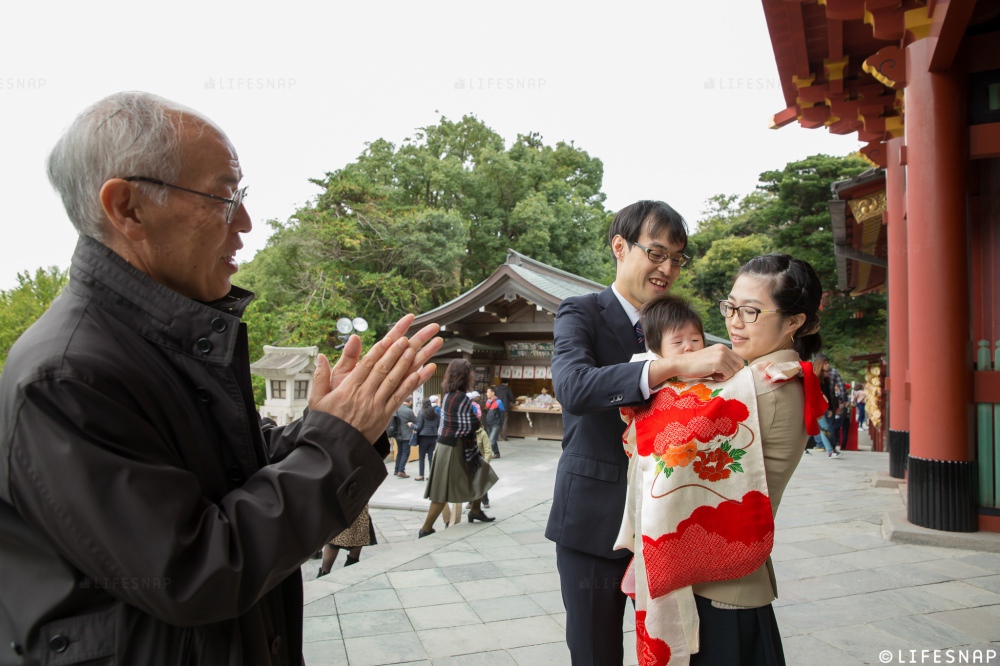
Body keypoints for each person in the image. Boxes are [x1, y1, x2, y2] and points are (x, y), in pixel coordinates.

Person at [0, 91, 442, 665]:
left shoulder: (163, 341)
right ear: (128, 208)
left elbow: (234, 475)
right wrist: (335, 443)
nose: (246, 222)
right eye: (224, 196)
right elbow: (196, 570)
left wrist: (331, 424)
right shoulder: (68, 376)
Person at [545, 200, 744, 665]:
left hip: (671, 523)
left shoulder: (684, 325)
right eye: (656, 253)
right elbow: (573, 387)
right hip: (593, 520)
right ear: (620, 246)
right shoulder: (581, 312)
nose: (667, 268)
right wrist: (672, 365)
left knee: (676, 650)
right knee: (595, 653)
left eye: (677, 258)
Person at [419, 360, 499, 537]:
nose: (473, 376)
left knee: (481, 472)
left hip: (455, 445)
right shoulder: (460, 397)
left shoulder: (449, 394)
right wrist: (475, 420)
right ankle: (425, 529)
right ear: (463, 375)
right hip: (453, 447)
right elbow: (470, 423)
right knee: (442, 491)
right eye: (470, 373)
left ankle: (475, 510)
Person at [317, 505, 376, 576]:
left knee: (358, 530)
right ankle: (325, 572)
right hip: (345, 504)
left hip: (355, 504)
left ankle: (350, 566)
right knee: (336, 538)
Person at [412, 396, 440, 481]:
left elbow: (419, 427)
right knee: (431, 456)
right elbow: (438, 425)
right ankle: (431, 475)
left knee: (422, 456)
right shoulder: (435, 413)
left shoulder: (421, 412)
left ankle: (421, 475)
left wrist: (412, 425)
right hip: (433, 437)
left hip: (423, 437)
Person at [393, 397, 418, 478]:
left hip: (397, 434)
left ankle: (396, 470)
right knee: (405, 453)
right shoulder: (409, 411)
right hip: (406, 434)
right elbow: (416, 421)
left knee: (399, 452)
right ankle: (401, 471)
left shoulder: (396, 409)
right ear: (410, 401)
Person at [484, 386, 505, 458]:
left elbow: (502, 413)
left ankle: (489, 454)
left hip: (496, 424)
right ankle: (497, 453)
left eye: (488, 392)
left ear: (493, 393)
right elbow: (488, 411)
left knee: (491, 440)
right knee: (492, 440)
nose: (487, 393)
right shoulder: (487, 402)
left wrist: (500, 422)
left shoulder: (499, 402)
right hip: (489, 423)